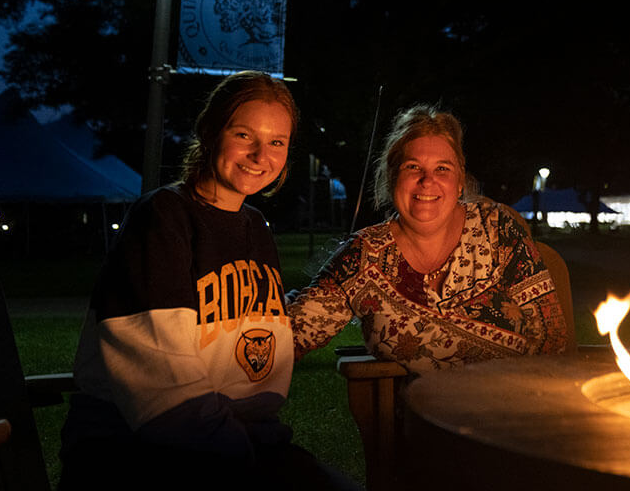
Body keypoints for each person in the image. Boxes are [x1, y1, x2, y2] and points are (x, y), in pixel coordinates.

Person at [58, 71, 350, 490]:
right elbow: (162, 386)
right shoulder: (162, 219)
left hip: (236, 441)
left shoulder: (255, 227)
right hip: (137, 451)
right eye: (244, 134)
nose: (259, 155)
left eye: (276, 142)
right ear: (210, 130)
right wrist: (245, 458)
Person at [287, 104, 570, 373]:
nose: (427, 181)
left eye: (442, 169)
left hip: (518, 407)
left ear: (459, 183)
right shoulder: (361, 256)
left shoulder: (498, 230)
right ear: (392, 177)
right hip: (420, 417)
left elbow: (551, 340)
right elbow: (291, 334)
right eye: (413, 167)